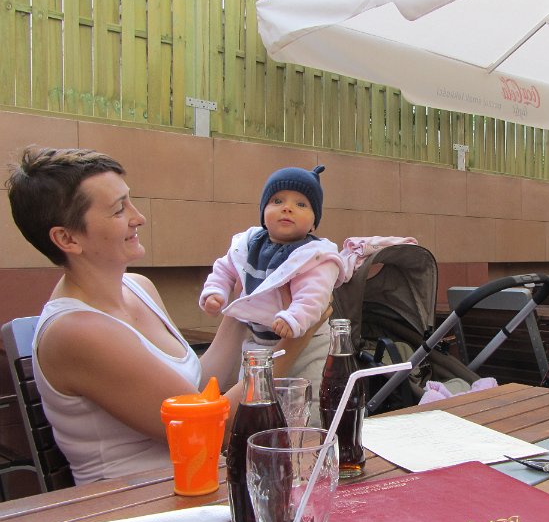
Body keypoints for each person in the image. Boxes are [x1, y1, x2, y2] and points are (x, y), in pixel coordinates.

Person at [5, 147, 326, 485]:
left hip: (197, 487)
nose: (138, 217)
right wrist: (298, 338)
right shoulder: (76, 332)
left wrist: (251, 292)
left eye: (130, 201)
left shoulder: (138, 287)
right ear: (67, 238)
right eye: (119, 209)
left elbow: (197, 388)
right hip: (139, 504)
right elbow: (205, 425)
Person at [199, 166, 346, 422]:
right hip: (257, 340)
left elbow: (315, 296)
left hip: (308, 343)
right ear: (263, 213)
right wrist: (215, 291)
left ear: (314, 222)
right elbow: (224, 269)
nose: (287, 208)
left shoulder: (314, 256)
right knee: (255, 402)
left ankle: (309, 433)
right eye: (277, 201)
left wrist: (294, 318)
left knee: (307, 399)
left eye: (301, 204)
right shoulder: (247, 245)